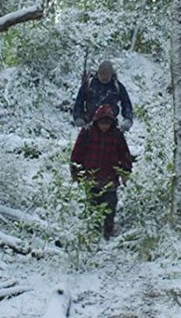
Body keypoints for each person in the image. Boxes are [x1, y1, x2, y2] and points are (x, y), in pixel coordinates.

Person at [70, 104, 132, 239]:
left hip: (110, 177)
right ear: (96, 121)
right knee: (93, 204)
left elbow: (125, 154)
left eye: (107, 123)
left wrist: (125, 172)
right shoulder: (87, 132)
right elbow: (77, 153)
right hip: (91, 177)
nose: (104, 126)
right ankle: (94, 231)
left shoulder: (116, 134)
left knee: (110, 204)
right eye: (102, 123)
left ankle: (108, 231)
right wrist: (75, 172)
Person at [72, 60, 133, 132]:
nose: (104, 77)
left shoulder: (117, 86)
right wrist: (78, 117)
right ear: (98, 73)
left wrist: (127, 119)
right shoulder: (89, 84)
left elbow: (126, 103)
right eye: (102, 74)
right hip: (90, 124)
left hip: (111, 125)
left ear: (111, 74)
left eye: (107, 75)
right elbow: (79, 101)